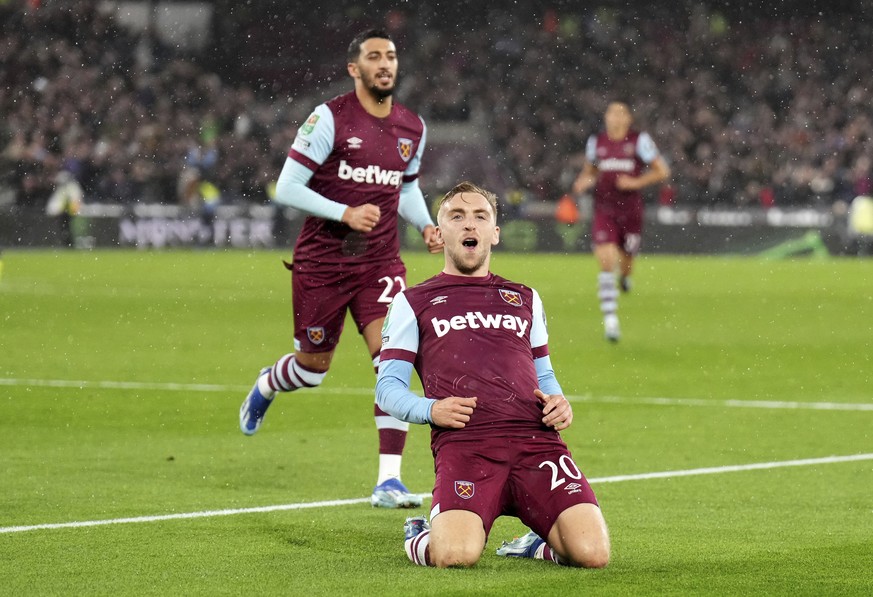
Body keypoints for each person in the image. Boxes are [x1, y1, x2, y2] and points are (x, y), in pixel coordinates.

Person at [239, 29, 442, 509]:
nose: (385, 63)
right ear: (355, 68)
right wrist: (345, 212)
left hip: (381, 263)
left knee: (393, 360)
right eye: (374, 57)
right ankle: (269, 383)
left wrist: (427, 225)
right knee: (312, 371)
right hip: (324, 263)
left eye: (391, 56)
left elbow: (406, 188)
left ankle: (388, 481)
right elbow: (286, 187)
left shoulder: (412, 127)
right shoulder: (328, 119)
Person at [376, 181, 610, 568]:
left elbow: (544, 375)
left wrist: (559, 402)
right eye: (457, 216)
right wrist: (430, 410)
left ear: (494, 233)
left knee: (593, 554)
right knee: (455, 556)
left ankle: (534, 544)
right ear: (440, 232)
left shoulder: (524, 297)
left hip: (537, 442)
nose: (470, 225)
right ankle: (420, 532)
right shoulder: (411, 301)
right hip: (468, 445)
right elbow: (388, 388)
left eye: (480, 217)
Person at [572, 100, 670, 342]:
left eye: (620, 113)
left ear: (628, 119)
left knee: (626, 263)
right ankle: (611, 321)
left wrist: (635, 183)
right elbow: (591, 170)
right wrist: (584, 180)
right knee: (606, 261)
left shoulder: (639, 141)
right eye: (611, 113)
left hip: (631, 212)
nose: (615, 117)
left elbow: (662, 171)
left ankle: (625, 279)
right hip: (604, 210)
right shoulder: (597, 143)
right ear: (606, 118)